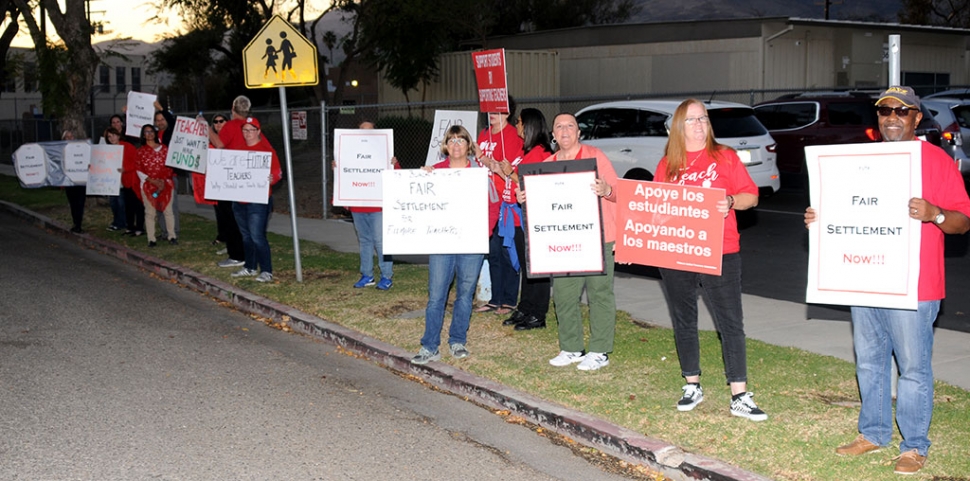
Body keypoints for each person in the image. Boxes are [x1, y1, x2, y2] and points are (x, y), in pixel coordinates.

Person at [806, 86, 970, 474]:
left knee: (913, 368)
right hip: (865, 279)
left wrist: (936, 214)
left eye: (901, 111)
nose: (891, 117)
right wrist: (821, 219)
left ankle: (914, 445)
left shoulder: (934, 161)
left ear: (916, 118)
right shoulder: (860, 158)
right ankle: (874, 433)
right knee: (870, 361)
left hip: (915, 285)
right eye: (884, 111)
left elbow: (963, 222)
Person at [654, 99, 766, 421]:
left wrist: (730, 201)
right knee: (684, 319)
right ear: (679, 126)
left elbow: (751, 195)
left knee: (731, 323)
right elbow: (655, 207)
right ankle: (692, 384)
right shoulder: (668, 164)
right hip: (677, 253)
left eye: (703, 118)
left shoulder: (725, 157)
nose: (700, 124)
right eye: (692, 120)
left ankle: (739, 394)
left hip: (721, 250)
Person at [521, 113, 618, 371]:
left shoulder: (595, 157)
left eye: (570, 126)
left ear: (579, 132)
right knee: (564, 295)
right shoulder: (547, 164)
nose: (565, 131)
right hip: (563, 243)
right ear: (553, 134)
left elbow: (619, 192)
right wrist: (527, 196)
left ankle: (599, 350)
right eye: (559, 127)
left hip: (599, 238)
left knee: (599, 294)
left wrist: (607, 190)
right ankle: (571, 347)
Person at [411, 125, 497, 364]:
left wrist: (484, 232)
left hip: (471, 242)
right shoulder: (434, 172)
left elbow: (493, 205)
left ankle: (457, 340)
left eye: (461, 140)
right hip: (442, 242)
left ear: (469, 145)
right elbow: (419, 201)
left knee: (464, 294)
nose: (457, 145)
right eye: (452, 140)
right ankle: (430, 346)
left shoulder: (480, 173)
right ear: (445, 146)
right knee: (436, 295)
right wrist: (421, 177)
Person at [495, 108, 553, 331]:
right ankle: (526, 307)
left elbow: (535, 185)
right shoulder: (527, 150)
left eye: (519, 122)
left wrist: (510, 173)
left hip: (533, 217)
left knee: (537, 268)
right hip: (521, 217)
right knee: (527, 267)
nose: (516, 125)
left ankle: (538, 314)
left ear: (528, 126)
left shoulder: (541, 153)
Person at [475, 97, 524, 315]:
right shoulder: (484, 134)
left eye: (498, 110)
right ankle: (495, 298)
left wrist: (485, 160)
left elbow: (509, 170)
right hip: (486, 201)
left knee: (507, 251)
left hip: (505, 203)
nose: (492, 114)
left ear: (508, 112)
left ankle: (510, 299)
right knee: (492, 252)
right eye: (489, 109)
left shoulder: (513, 136)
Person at [342, 121, 398, 290]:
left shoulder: (385, 153)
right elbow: (345, 175)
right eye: (362, 131)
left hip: (378, 206)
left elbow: (395, 177)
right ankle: (367, 275)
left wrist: (394, 164)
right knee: (365, 241)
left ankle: (386, 276)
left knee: (381, 242)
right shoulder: (348, 153)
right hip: (358, 206)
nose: (365, 134)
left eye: (369, 131)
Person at [230, 117, 282, 283]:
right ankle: (250, 267)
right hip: (239, 200)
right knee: (246, 236)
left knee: (257, 236)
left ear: (258, 131)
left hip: (258, 201)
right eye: (245, 130)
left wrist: (271, 178)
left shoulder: (267, 151)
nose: (248, 133)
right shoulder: (238, 151)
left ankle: (266, 270)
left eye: (252, 130)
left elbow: (277, 174)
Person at [194, 113, 245, 268]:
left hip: (230, 185)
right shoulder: (216, 138)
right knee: (226, 219)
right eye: (215, 122)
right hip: (219, 186)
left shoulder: (228, 136)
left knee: (233, 219)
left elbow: (220, 145)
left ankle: (238, 255)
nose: (218, 124)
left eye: (221, 121)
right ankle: (233, 248)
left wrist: (206, 126)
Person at [136, 124, 177, 247]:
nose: (149, 134)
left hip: (166, 185)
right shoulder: (140, 152)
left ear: (155, 133)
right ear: (143, 135)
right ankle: (151, 239)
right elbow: (138, 169)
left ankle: (172, 236)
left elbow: (170, 165)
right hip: (148, 186)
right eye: (146, 132)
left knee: (168, 211)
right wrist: (153, 181)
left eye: (151, 131)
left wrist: (162, 181)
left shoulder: (164, 149)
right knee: (150, 212)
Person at [104, 127, 143, 237]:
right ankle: (130, 227)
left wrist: (126, 168)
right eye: (109, 137)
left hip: (133, 179)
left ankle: (140, 228)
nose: (112, 138)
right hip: (122, 181)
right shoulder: (108, 150)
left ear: (118, 135)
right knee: (128, 206)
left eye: (114, 135)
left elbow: (136, 162)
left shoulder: (128, 146)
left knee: (137, 205)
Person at [153, 100, 180, 240]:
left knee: (171, 205)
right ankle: (164, 232)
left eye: (162, 119)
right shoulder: (153, 136)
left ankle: (173, 232)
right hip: (156, 177)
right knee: (159, 205)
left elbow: (173, 122)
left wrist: (162, 109)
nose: (160, 122)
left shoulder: (172, 133)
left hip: (170, 176)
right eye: (157, 120)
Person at [61, 130, 87, 234]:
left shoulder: (81, 149)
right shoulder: (62, 150)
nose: (70, 138)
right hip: (69, 181)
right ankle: (75, 223)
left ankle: (79, 225)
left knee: (80, 203)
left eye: (71, 136)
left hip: (81, 181)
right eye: (67, 137)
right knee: (73, 203)